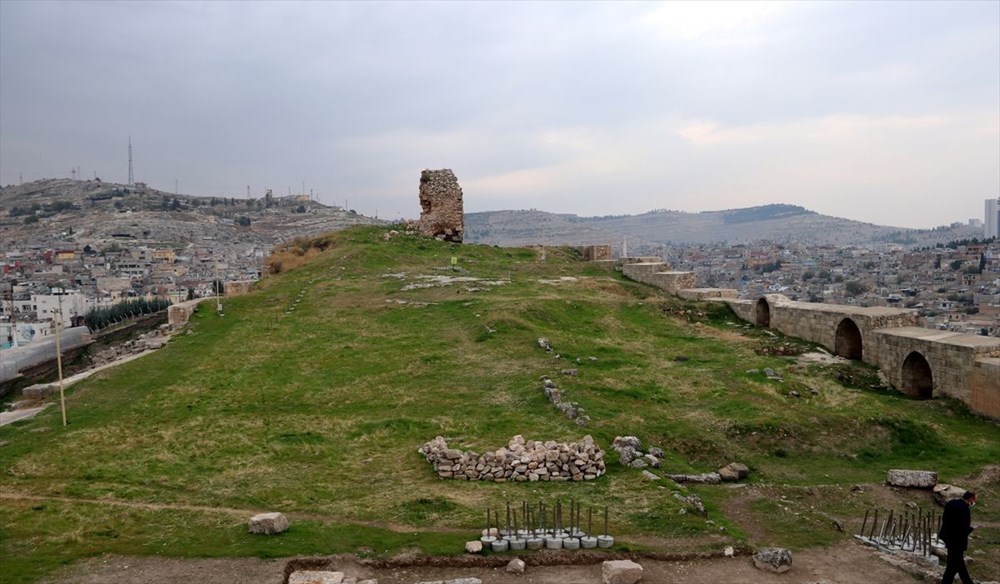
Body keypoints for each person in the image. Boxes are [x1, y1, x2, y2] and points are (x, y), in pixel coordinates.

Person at [938, 490, 977, 584]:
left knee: (953, 564)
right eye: (975, 499)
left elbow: (945, 519)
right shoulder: (965, 509)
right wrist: (971, 528)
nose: (975, 502)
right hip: (957, 540)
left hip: (948, 537)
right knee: (958, 563)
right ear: (971, 499)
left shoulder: (951, 503)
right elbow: (963, 528)